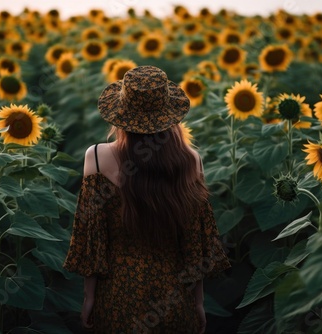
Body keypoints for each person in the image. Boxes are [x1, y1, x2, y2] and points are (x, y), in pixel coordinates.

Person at [63, 65, 230, 333]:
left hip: (117, 302)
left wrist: (89, 298)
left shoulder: (95, 156)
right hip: (174, 302)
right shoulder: (191, 161)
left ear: (122, 113)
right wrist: (198, 302)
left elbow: (92, 239)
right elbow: (195, 244)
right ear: (169, 115)